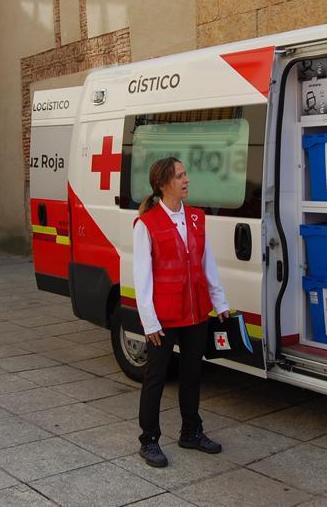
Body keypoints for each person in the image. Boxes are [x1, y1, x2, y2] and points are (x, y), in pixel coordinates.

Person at [133, 157, 229, 468]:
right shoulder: (146, 224)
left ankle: (191, 431)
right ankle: (149, 440)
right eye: (180, 176)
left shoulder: (198, 218)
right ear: (163, 184)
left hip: (196, 314)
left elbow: (207, 264)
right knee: (156, 378)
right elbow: (142, 276)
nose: (186, 180)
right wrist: (149, 321)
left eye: (186, 174)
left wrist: (221, 302)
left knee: (191, 376)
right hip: (163, 318)